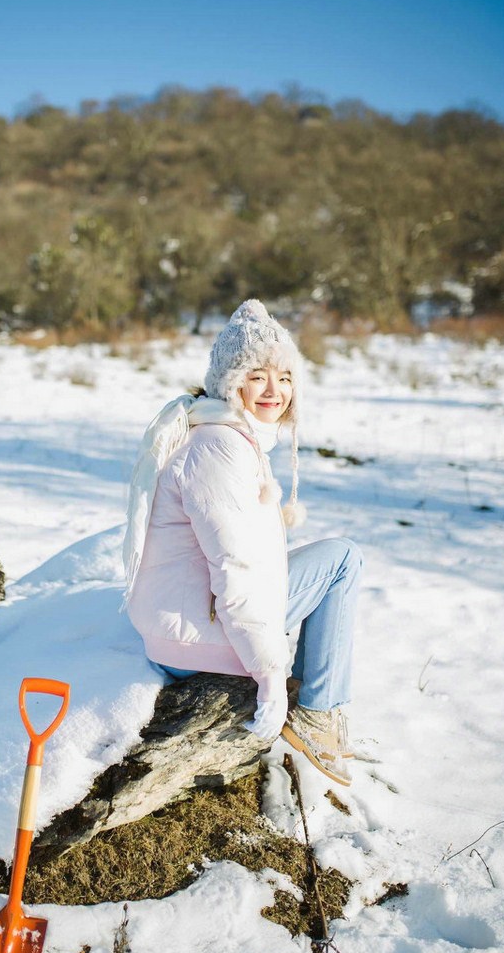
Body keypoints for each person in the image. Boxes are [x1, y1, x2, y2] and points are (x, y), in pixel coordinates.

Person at [123, 299, 362, 787]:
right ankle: (317, 712)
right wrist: (271, 679)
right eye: (258, 375)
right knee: (342, 559)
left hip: (183, 627)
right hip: (192, 642)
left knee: (333, 557)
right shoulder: (220, 448)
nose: (275, 390)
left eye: (286, 376)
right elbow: (238, 568)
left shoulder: (224, 436)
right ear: (230, 383)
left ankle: (320, 702)